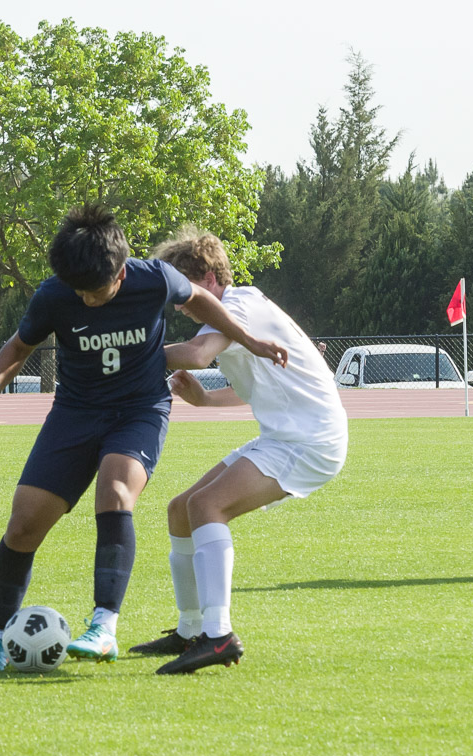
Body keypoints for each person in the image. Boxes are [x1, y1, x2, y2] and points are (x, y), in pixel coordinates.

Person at [0, 205, 289, 672]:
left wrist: (251, 340)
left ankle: (103, 627)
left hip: (140, 410)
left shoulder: (153, 278)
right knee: (23, 525)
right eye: (80, 292)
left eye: (96, 291)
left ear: (121, 269)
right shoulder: (54, 295)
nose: (88, 300)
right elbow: (19, 346)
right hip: (74, 414)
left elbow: (202, 301)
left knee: (115, 492)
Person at [128, 228, 348, 674]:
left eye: (184, 290)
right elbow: (254, 386)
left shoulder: (238, 305)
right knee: (180, 509)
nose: (180, 303)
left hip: (310, 440)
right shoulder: (233, 311)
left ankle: (218, 635)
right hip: (287, 435)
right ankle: (191, 629)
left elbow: (198, 354)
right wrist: (206, 401)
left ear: (208, 277)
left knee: (207, 506)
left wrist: (124, 352)